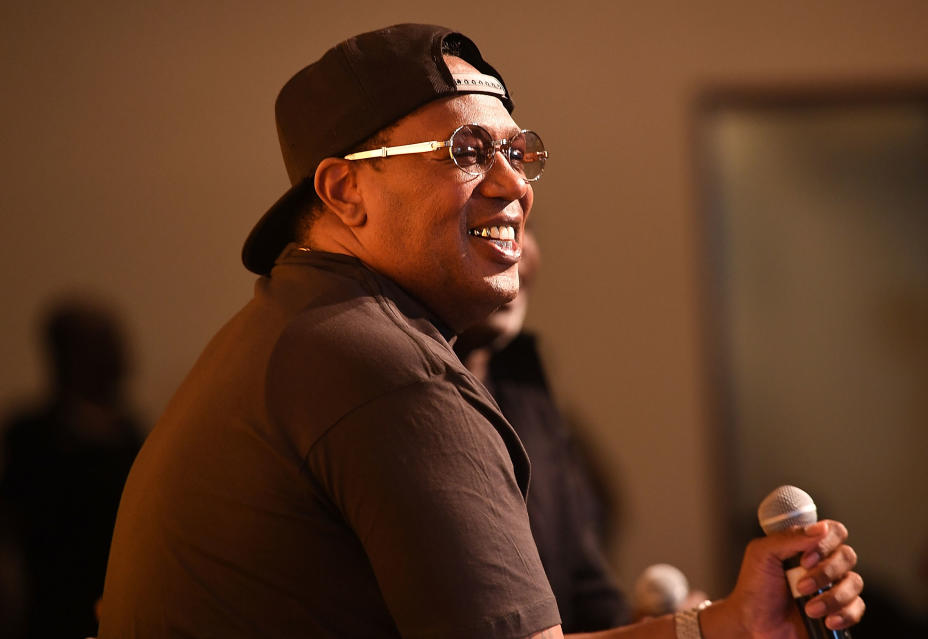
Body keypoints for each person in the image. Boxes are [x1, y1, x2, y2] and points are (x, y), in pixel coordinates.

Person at [99, 23, 864, 638]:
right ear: (344, 190)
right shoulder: (382, 368)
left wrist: (725, 624)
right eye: (467, 152)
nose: (513, 187)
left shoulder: (294, 333)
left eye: (518, 152)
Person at [454, 231, 631, 632]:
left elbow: (585, 586)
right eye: (480, 232)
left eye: (519, 228)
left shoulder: (528, 394)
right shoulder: (400, 393)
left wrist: (668, 624)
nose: (514, 248)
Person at [0, 298, 142, 639]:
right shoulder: (33, 436)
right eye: (102, 346)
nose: (120, 358)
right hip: (52, 616)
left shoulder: (133, 435)